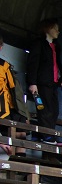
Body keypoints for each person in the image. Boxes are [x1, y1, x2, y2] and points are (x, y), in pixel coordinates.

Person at [27, 18, 62, 139]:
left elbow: (57, 65)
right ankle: (46, 136)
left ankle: (49, 134)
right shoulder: (39, 44)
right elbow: (33, 63)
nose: (58, 32)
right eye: (55, 29)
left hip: (53, 83)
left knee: (54, 110)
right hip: (42, 83)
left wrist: (60, 79)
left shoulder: (56, 47)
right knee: (44, 109)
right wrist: (32, 82)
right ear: (48, 29)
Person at [0, 33, 28, 161]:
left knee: (21, 133)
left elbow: (16, 90)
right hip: (3, 111)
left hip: (11, 107)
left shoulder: (5, 66)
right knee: (9, 135)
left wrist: (24, 113)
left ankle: (19, 164)